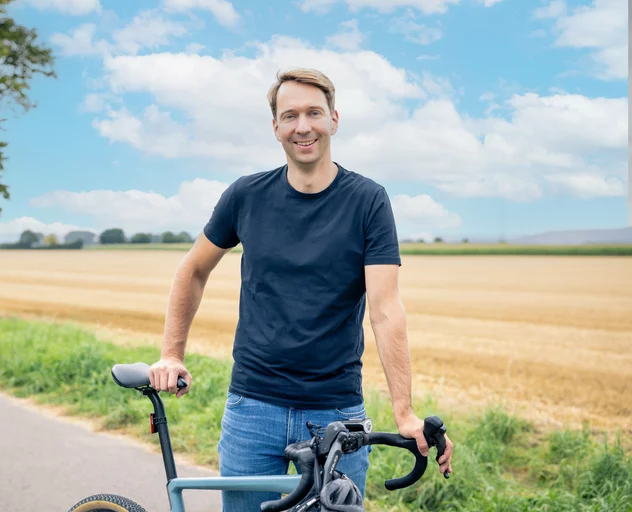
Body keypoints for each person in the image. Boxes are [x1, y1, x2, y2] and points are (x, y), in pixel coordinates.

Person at [149, 68, 454, 510]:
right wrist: (172, 353)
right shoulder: (245, 195)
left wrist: (404, 412)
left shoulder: (368, 201)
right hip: (253, 407)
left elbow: (386, 309)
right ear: (275, 127)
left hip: (336, 414)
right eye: (290, 115)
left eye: (314, 112)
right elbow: (192, 270)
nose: (303, 126)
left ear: (334, 118)